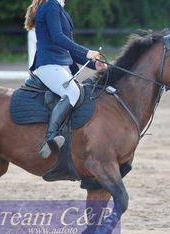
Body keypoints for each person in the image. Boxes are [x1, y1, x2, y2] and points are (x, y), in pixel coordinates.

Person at [24, 0, 107, 158]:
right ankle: (50, 137)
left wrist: (94, 65)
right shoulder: (51, 5)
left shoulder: (60, 9)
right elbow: (57, 37)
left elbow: (69, 49)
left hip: (61, 65)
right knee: (72, 91)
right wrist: (87, 51)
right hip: (49, 64)